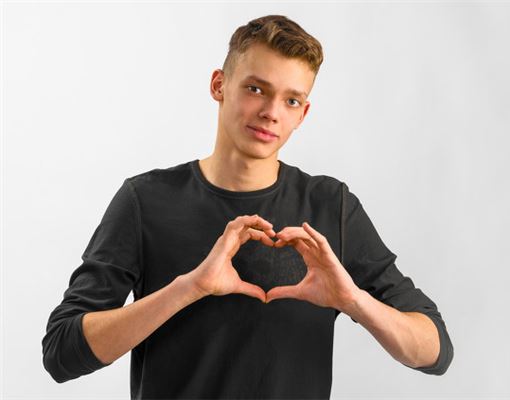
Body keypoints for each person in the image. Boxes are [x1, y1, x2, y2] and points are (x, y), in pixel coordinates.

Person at [42, 14, 454, 399]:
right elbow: (61, 352)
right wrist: (189, 288)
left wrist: (353, 300)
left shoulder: (331, 207)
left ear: (303, 114)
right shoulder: (145, 200)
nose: (271, 113)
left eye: (291, 100)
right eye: (256, 89)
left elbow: (435, 351)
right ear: (219, 85)